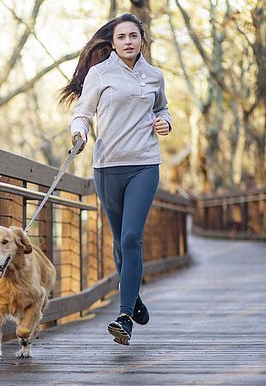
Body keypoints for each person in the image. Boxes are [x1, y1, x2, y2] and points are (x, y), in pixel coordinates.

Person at [59, 13, 171, 345]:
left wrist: (164, 122)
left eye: (133, 36)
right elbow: (83, 112)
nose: (127, 42)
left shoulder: (154, 76)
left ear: (142, 40)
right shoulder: (100, 72)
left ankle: (124, 317)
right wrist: (79, 133)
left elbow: (162, 108)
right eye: (121, 37)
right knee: (119, 240)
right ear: (113, 42)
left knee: (132, 237)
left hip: (144, 165)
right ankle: (133, 297)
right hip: (107, 166)